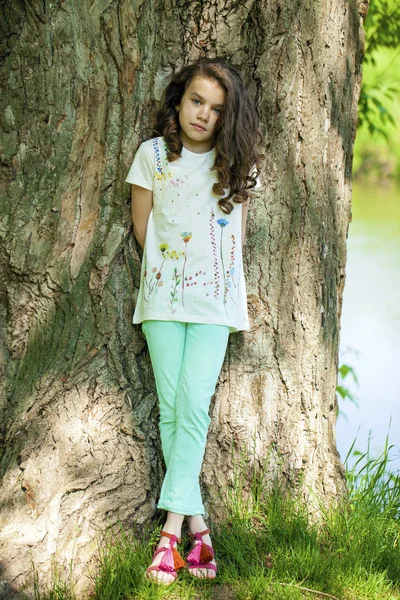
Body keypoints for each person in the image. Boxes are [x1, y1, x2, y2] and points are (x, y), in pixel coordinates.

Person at [125, 57, 262, 585]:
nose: (203, 115)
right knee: (171, 406)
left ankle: (169, 534)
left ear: (228, 118)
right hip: (162, 300)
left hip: (215, 305)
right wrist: (173, 275)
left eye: (216, 109)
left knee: (195, 405)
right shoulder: (153, 156)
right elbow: (144, 231)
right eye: (196, 101)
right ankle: (197, 528)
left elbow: (235, 240)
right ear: (179, 101)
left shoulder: (235, 164)